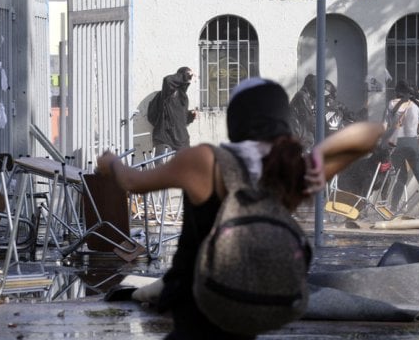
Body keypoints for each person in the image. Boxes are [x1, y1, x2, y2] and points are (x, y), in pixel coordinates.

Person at [96, 77, 384, 339]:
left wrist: (111, 163)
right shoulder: (291, 173)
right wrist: (316, 156)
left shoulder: (205, 161)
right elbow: (369, 133)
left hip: (198, 303)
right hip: (252, 306)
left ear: (237, 118)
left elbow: (132, 182)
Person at [384, 80, 419, 216]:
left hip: (395, 145)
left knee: (401, 177)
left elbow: (386, 127)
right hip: (411, 144)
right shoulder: (417, 106)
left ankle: (393, 208)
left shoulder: (391, 104)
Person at [151, 67, 198, 152]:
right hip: (165, 138)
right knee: (162, 164)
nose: (190, 78)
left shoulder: (183, 97)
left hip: (181, 140)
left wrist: (191, 115)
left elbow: (179, 119)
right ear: (180, 76)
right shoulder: (168, 93)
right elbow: (167, 80)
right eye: (188, 75)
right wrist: (185, 75)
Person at [289, 73, 317, 152]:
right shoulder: (302, 96)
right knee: (310, 141)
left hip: (299, 129)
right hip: (296, 130)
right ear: (310, 85)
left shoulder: (309, 97)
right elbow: (308, 119)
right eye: (316, 85)